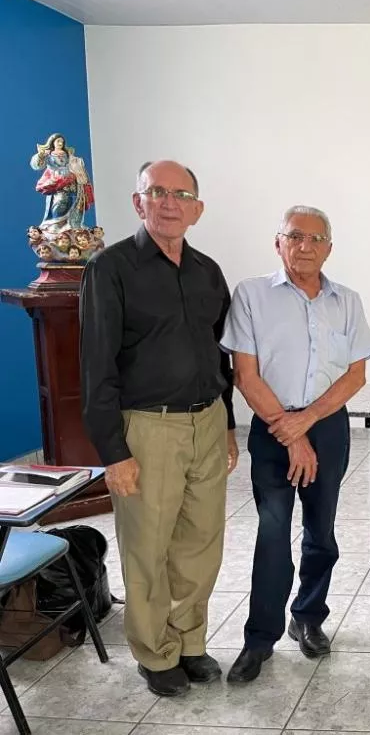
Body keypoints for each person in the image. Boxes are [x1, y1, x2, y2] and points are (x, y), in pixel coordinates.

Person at [80, 160, 239, 696]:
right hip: (147, 429)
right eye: (158, 192)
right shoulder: (110, 269)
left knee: (200, 543)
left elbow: (223, 357)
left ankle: (189, 641)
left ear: (197, 208)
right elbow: (95, 367)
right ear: (138, 201)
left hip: (207, 423)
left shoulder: (208, 272)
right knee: (148, 547)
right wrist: (112, 452)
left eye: (182, 194)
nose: (170, 203)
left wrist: (229, 424)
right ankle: (154, 652)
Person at [221, 205, 370, 682]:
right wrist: (288, 431)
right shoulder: (251, 295)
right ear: (278, 243)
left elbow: (355, 376)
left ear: (329, 247)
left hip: (327, 427)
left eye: (316, 238)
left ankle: (308, 618)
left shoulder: (346, 301)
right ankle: (259, 639)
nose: (305, 246)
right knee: (272, 535)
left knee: (321, 532)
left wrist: (305, 424)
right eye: (295, 237)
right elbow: (245, 375)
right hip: (272, 429)